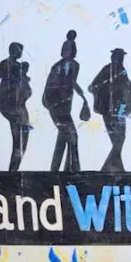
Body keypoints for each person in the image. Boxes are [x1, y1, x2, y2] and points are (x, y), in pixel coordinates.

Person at [42, 30, 90, 172]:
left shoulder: (75, 65)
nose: (67, 51)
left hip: (64, 106)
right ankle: (74, 170)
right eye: (65, 49)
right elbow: (51, 87)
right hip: (56, 106)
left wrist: (82, 97)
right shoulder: (57, 66)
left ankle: (57, 170)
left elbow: (72, 82)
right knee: (72, 136)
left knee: (63, 139)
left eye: (70, 49)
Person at [89, 48, 131, 173]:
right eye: (119, 56)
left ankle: (116, 167)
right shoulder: (110, 70)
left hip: (115, 110)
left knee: (118, 139)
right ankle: (109, 168)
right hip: (112, 110)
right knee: (119, 139)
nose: (121, 59)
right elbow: (92, 86)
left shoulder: (118, 70)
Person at [0, 42, 27, 171]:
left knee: (22, 139)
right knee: (18, 138)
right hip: (8, 103)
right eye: (20, 50)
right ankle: (12, 170)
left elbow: (24, 84)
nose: (21, 53)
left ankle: (13, 168)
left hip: (18, 103)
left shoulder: (19, 66)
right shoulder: (4, 64)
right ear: (13, 50)